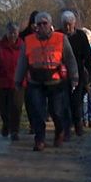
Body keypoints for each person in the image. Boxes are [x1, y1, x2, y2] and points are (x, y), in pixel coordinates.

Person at [15, 12, 77, 151]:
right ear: (35, 26)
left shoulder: (61, 38)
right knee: (37, 112)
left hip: (56, 83)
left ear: (50, 24)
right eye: (39, 24)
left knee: (57, 112)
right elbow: (22, 62)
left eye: (45, 23)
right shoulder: (28, 41)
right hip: (35, 83)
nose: (42, 26)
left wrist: (74, 78)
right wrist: (18, 80)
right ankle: (40, 139)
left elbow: (70, 59)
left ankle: (59, 132)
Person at [58, 10, 91, 138]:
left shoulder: (80, 36)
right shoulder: (57, 35)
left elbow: (88, 56)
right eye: (65, 24)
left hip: (78, 73)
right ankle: (65, 127)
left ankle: (78, 124)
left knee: (77, 101)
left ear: (74, 23)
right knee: (63, 101)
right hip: (60, 74)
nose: (67, 27)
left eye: (69, 24)